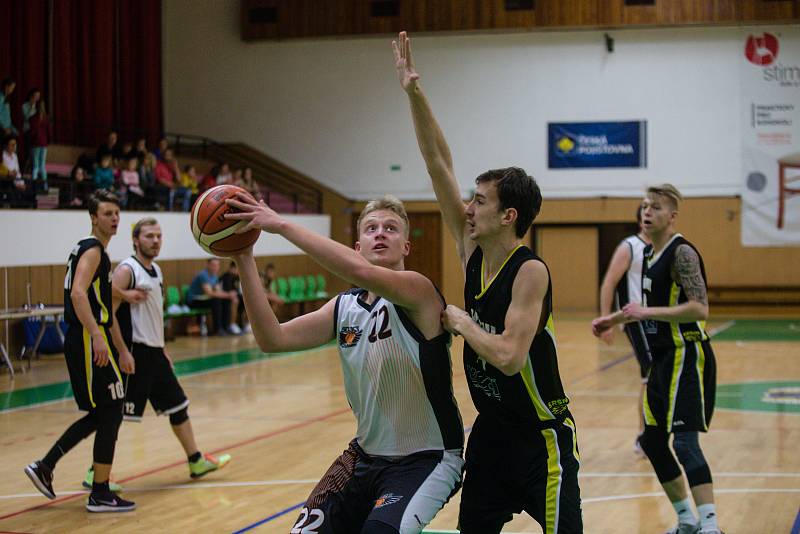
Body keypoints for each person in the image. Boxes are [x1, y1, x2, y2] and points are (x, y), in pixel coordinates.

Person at [394, 32, 582, 533]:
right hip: (492, 435)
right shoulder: (472, 250)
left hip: (543, 438)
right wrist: (414, 92)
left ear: (508, 216)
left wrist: (458, 320)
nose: (468, 207)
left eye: (480, 200)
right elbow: (439, 164)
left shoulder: (530, 271)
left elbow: (508, 356)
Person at [226, 194, 464, 534]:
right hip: (363, 457)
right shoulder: (343, 308)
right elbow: (272, 339)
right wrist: (244, 257)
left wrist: (279, 224)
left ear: (406, 247)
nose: (380, 233)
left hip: (428, 458)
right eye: (371, 228)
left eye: (391, 228)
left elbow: (358, 271)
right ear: (357, 245)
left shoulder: (419, 291)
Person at [592, 184, 721, 534]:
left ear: (672, 216)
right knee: (651, 441)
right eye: (645, 206)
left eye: (656, 207)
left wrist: (646, 311)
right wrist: (613, 320)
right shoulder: (647, 255)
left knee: (684, 441)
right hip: (661, 359)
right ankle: (686, 520)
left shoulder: (682, 254)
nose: (647, 212)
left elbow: (699, 308)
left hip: (687, 354)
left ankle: (710, 524)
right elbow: (639, 310)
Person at [80, 217, 231, 489]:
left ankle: (196, 460)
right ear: (136, 240)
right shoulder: (128, 269)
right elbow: (109, 315)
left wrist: (163, 348)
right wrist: (123, 352)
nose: (155, 241)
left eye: (159, 236)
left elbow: (153, 315)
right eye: (149, 236)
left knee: (178, 405)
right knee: (115, 415)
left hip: (155, 353)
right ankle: (95, 471)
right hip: (135, 354)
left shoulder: (157, 270)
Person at [24, 190, 137, 512]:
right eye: (106, 213)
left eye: (117, 213)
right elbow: (77, 294)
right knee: (112, 408)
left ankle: (46, 467)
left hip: (93, 335)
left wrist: (121, 349)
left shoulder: (93, 250)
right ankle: (99, 491)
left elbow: (104, 307)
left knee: (104, 411)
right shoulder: (93, 250)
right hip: (87, 337)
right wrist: (97, 337)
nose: (114, 218)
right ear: (93, 217)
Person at [598, 206, 652, 456]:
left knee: (657, 375)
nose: (650, 217)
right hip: (634, 320)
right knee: (651, 373)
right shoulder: (629, 247)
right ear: (640, 219)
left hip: (660, 319)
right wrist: (606, 319)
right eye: (647, 213)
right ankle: (645, 435)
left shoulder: (669, 247)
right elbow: (609, 282)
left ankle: (655, 431)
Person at [186, 258, 240, 336]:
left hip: (205, 299)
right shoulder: (203, 275)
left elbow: (218, 291)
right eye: (213, 265)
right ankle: (217, 330)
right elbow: (210, 293)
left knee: (225, 300)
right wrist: (228, 295)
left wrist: (230, 295)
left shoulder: (214, 276)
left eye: (217, 265)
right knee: (216, 301)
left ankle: (226, 327)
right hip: (193, 301)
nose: (215, 267)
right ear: (208, 265)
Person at [28, 100, 51, 188]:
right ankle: (45, 186)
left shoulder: (32, 118)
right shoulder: (46, 118)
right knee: (42, 166)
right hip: (43, 144)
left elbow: (32, 132)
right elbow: (48, 132)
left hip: (35, 143)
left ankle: (34, 185)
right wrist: (47, 141)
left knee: (35, 166)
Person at [219, 261, 246, 334]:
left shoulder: (237, 277)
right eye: (236, 268)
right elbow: (226, 291)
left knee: (246, 300)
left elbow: (239, 291)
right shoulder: (226, 277)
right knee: (235, 300)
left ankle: (244, 324)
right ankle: (232, 324)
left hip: (233, 297)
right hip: (224, 299)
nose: (237, 271)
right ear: (231, 268)